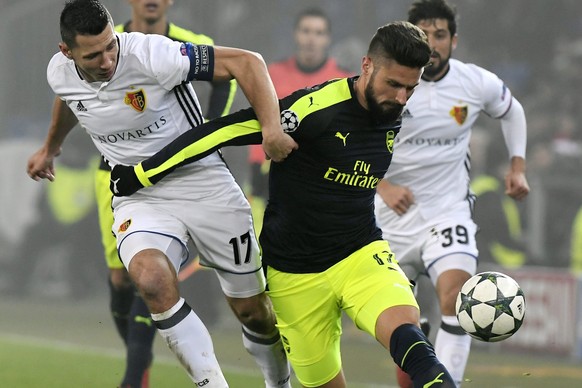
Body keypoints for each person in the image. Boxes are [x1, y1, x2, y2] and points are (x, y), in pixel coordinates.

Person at [107, 21, 456, 388]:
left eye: (410, 88)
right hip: (294, 276)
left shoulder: (392, 112)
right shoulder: (314, 110)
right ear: (367, 65)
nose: (401, 98)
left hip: (360, 255)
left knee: (411, 341)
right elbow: (222, 131)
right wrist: (143, 173)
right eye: (394, 85)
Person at [27, 1, 297, 387]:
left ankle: (279, 383)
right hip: (140, 195)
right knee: (150, 280)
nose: (107, 60)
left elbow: (248, 62)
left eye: (110, 46)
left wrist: (270, 128)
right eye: (93, 54)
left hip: (203, 182)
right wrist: (50, 147)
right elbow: (70, 101)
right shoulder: (60, 73)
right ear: (66, 52)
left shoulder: (152, 53)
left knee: (252, 311)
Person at [373, 1, 530, 386]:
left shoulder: (474, 83)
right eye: (423, 35)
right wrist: (384, 185)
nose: (432, 43)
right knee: (401, 324)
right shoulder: (385, 85)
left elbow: (512, 111)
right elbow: (348, 145)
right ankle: (417, 353)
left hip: (448, 212)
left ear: (453, 40)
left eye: (440, 35)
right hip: (389, 218)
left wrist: (517, 166)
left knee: (459, 300)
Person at [93, 1, 238, 386]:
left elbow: (229, 75)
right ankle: (138, 360)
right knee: (120, 279)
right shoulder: (108, 44)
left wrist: (209, 130)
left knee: (154, 270)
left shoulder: (192, 43)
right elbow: (72, 86)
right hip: (116, 176)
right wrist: (51, 147)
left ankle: (133, 374)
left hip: (175, 179)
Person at [248, 7, 352, 221]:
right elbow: (260, 121)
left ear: (327, 39)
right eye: (306, 31)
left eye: (318, 32)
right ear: (296, 34)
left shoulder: (344, 81)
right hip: (275, 170)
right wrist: (257, 165)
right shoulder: (272, 75)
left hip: (326, 175)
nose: (311, 39)